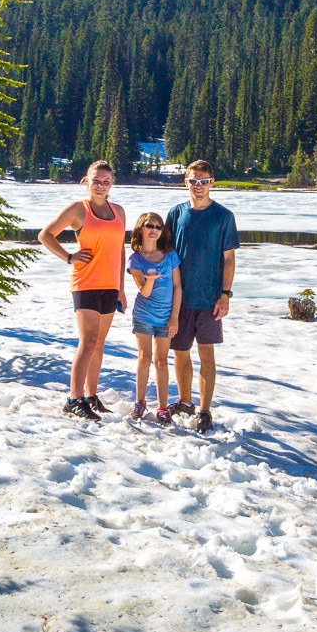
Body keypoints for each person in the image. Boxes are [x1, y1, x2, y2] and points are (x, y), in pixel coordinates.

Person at [38, 160, 126, 421]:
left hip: (110, 284)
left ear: (112, 183)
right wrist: (69, 257)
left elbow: (120, 250)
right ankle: (73, 400)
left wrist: (121, 288)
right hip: (86, 282)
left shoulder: (119, 211)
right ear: (86, 181)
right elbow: (45, 235)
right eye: (96, 180)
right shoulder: (78, 209)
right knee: (87, 341)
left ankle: (90, 396)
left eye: (106, 181)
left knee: (99, 343)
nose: (100, 186)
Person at [165, 159, 237, 434]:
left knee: (206, 353)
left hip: (209, 299)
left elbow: (228, 259)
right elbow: (165, 254)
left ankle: (204, 411)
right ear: (186, 182)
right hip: (179, 298)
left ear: (211, 183)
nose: (198, 186)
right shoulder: (176, 214)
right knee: (180, 351)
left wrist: (225, 295)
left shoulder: (223, 216)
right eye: (193, 181)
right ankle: (185, 402)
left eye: (203, 181)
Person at [125, 211, 183, 423]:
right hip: (144, 316)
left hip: (166, 317)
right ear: (140, 229)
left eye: (158, 227)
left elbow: (177, 287)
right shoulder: (135, 259)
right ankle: (139, 403)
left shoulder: (170, 255)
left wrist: (174, 317)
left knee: (161, 361)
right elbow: (145, 292)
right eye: (150, 226)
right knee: (145, 358)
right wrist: (149, 280)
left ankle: (162, 408)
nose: (154, 230)